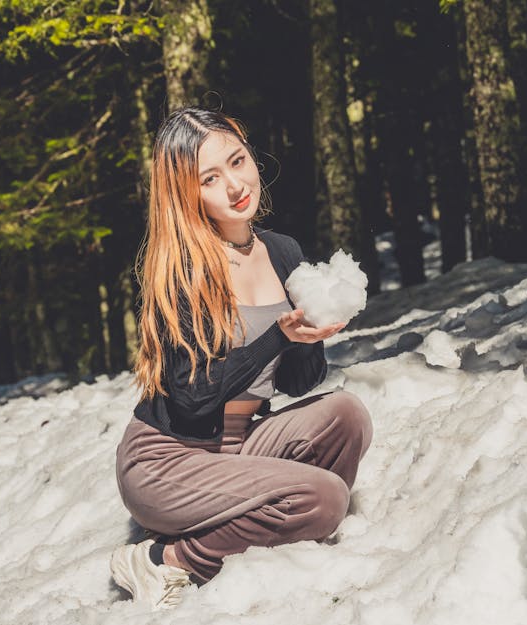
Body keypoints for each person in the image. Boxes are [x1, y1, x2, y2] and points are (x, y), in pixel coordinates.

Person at [111, 106, 373, 611]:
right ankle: (165, 559)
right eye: (210, 177)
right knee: (323, 498)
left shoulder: (281, 251)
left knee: (348, 415)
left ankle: (276, 532)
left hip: (243, 443)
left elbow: (300, 383)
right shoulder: (183, 270)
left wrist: (311, 332)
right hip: (169, 459)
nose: (235, 185)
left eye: (237, 161)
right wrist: (279, 335)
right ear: (187, 193)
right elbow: (191, 399)